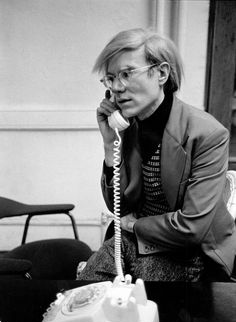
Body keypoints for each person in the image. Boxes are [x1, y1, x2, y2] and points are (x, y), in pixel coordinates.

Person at [77, 27, 236, 282]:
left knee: (141, 303)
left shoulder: (207, 134)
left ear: (161, 73)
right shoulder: (128, 126)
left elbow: (192, 228)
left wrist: (133, 225)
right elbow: (119, 205)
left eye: (126, 74)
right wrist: (110, 144)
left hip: (189, 254)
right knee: (86, 291)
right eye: (110, 78)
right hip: (134, 242)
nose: (117, 87)